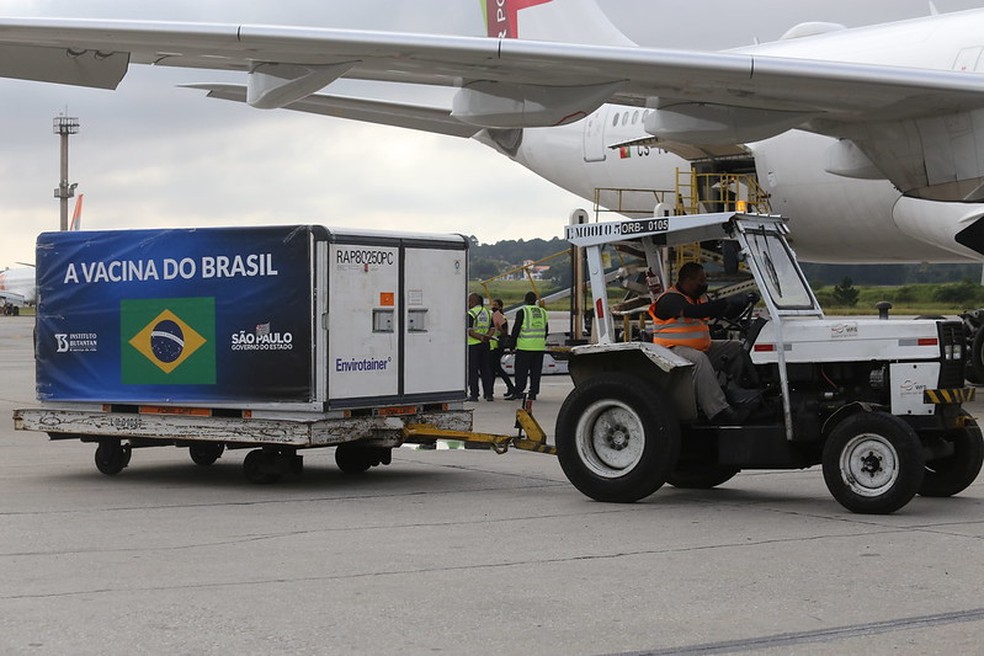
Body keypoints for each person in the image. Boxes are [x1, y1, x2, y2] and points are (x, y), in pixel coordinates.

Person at [649, 262, 758, 424]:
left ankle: (749, 392)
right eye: (701, 280)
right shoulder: (670, 299)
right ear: (687, 280)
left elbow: (720, 312)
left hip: (701, 347)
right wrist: (726, 301)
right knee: (699, 359)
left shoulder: (699, 298)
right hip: (670, 351)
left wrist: (742, 302)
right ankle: (719, 412)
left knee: (737, 348)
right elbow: (694, 312)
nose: (704, 284)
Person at [506, 291, 548, 401]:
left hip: (525, 347)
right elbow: (546, 330)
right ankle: (533, 393)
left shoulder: (522, 311)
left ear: (525, 299)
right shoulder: (543, 312)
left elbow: (516, 329)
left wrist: (511, 344)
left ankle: (518, 391)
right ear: (535, 300)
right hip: (539, 347)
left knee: (521, 371)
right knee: (535, 372)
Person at [466, 293, 494, 401]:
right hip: (485, 345)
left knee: (473, 371)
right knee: (486, 369)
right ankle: (489, 394)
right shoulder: (488, 312)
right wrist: (487, 337)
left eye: (469, 301)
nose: (468, 303)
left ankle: (474, 395)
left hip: (473, 345)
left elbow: (469, 330)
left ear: (473, 301)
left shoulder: (471, 313)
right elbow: (492, 328)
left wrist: (480, 337)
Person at [488, 298, 516, 398]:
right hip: (493, 345)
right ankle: (491, 391)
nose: (493, 307)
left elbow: (504, 332)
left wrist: (499, 329)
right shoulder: (494, 316)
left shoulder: (500, 317)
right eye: (493, 305)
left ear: (500, 307)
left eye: (496, 305)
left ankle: (492, 391)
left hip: (497, 346)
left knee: (495, 368)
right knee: (494, 369)